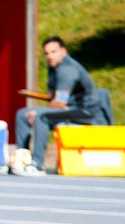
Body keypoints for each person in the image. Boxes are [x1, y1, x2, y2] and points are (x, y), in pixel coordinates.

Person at [11, 36, 97, 176]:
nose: (50, 56)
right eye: (47, 53)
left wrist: (38, 113)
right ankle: (22, 160)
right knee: (22, 114)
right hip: (67, 109)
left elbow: (59, 102)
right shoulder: (53, 67)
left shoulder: (67, 69)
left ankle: (37, 164)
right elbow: (52, 96)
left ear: (64, 51)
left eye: (54, 52)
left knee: (41, 117)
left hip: (85, 111)